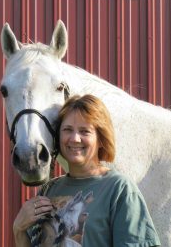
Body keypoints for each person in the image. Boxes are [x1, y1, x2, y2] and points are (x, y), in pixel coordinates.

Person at [13, 94, 161, 247]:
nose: (75, 138)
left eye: (85, 131)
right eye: (67, 129)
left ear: (101, 139)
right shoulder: (48, 190)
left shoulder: (119, 189)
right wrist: (18, 229)